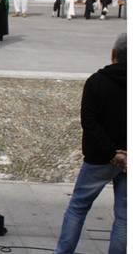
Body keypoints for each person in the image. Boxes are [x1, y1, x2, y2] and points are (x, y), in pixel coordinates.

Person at [54, 33, 126, 254]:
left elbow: (89, 122)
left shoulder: (96, 81)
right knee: (124, 217)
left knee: (77, 208)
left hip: (99, 158)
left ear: (113, 54)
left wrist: (112, 153)